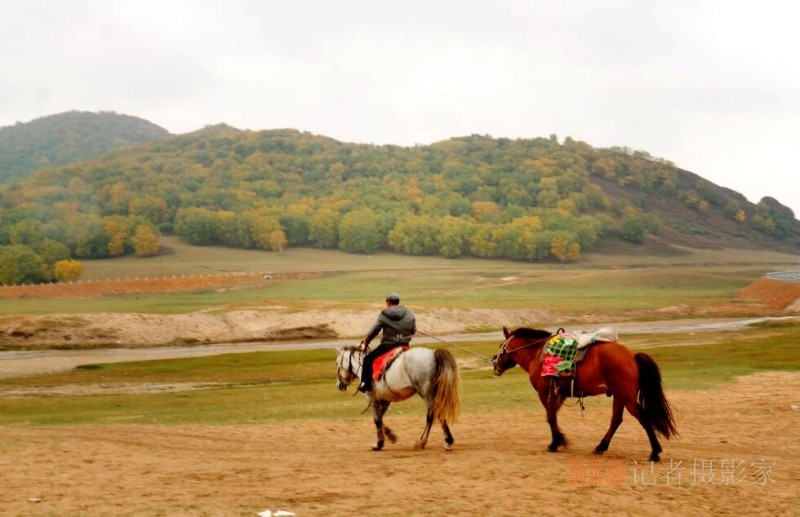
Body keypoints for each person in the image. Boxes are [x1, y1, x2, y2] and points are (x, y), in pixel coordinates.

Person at [358, 292, 416, 393]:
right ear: (398, 302)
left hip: (388, 346)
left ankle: (366, 384)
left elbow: (374, 330)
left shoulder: (384, 314)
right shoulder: (409, 313)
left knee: (367, 359)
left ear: (388, 303)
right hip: (404, 345)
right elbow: (413, 330)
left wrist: (367, 341)